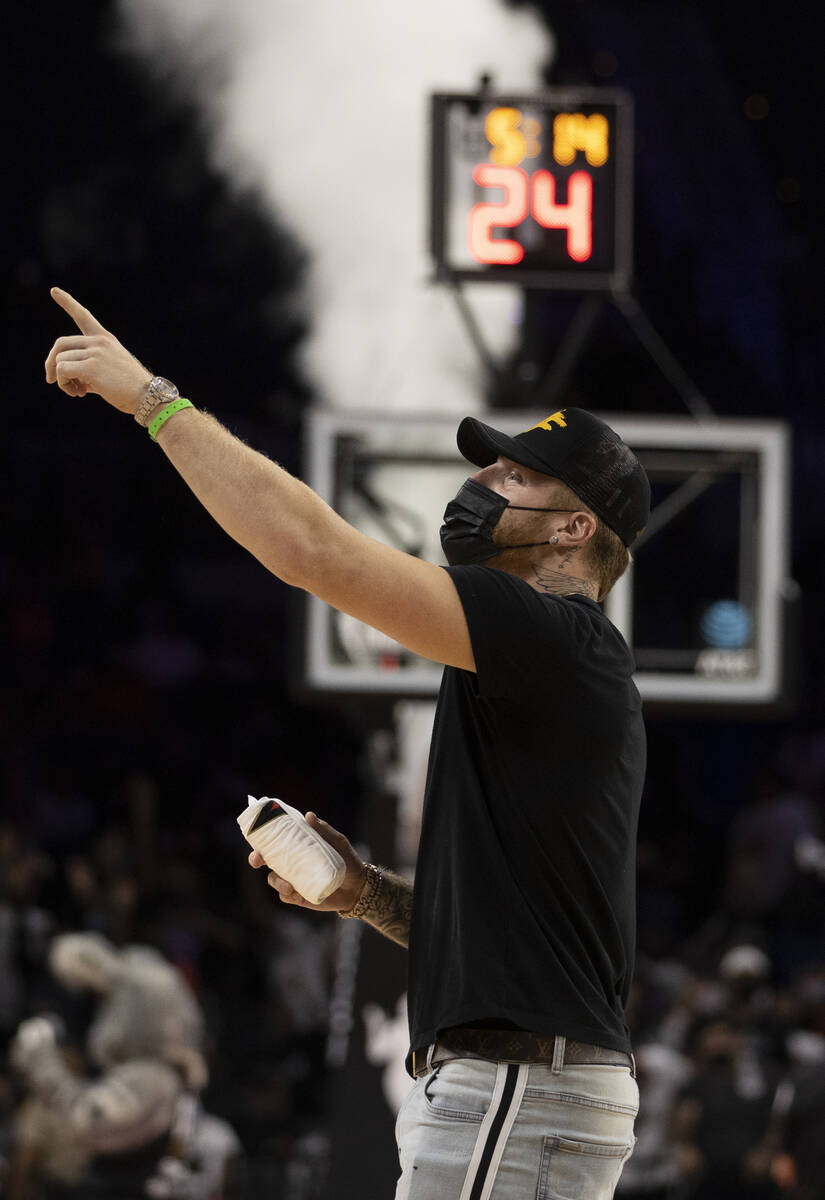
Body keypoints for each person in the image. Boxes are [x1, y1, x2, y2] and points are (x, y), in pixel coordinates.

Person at [44, 286, 651, 1199]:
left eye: (513, 478)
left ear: (574, 529)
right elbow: (501, 943)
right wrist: (360, 890)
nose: (480, 485)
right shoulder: (545, 662)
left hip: (518, 1092)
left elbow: (309, 551)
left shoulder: (542, 630)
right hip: (523, 1087)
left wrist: (152, 399)